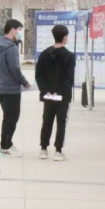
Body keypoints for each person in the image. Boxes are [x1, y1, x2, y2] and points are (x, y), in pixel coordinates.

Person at [34, 24, 76, 161]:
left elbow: (39, 75)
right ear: (65, 38)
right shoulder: (69, 56)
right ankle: (58, 150)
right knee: (61, 122)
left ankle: (43, 149)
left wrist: (45, 90)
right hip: (62, 96)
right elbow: (69, 78)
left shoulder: (45, 54)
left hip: (48, 95)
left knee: (47, 121)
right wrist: (59, 92)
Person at [0, 18, 31, 156]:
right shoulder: (11, 48)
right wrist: (24, 82)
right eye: (19, 30)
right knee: (11, 119)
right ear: (12, 30)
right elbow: (14, 68)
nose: (19, 33)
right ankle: (5, 146)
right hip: (11, 89)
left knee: (7, 117)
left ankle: (6, 144)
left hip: (0, 87)